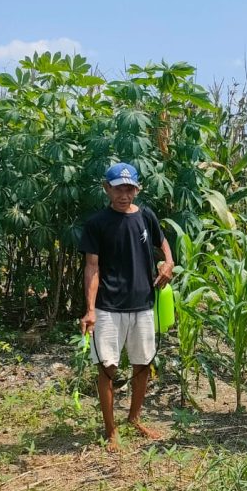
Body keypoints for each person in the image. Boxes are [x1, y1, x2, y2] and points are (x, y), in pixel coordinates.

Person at [79, 162, 174, 451]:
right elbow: (92, 267)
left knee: (143, 364)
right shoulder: (97, 223)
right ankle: (111, 431)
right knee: (107, 368)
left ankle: (134, 418)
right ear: (106, 189)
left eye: (129, 189)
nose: (124, 195)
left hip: (143, 304)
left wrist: (168, 263)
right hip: (108, 307)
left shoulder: (146, 216)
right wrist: (90, 309)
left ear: (137, 189)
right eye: (118, 189)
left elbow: (163, 243)